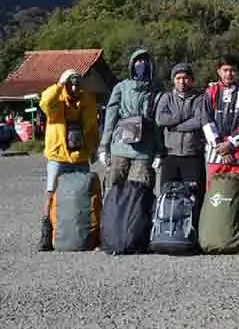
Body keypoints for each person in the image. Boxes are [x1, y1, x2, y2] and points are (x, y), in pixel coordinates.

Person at [37, 69, 99, 251]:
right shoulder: (55, 101)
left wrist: (94, 148)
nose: (73, 87)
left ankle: (88, 234)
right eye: (70, 84)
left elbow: (92, 127)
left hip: (81, 156)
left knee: (85, 194)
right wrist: (59, 84)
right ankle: (47, 234)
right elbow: (44, 102)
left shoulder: (87, 100)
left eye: (77, 84)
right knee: (51, 192)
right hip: (58, 156)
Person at [99, 49, 163, 191]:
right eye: (138, 61)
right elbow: (110, 118)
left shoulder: (157, 89)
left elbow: (158, 122)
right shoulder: (121, 87)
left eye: (145, 61)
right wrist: (104, 146)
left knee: (139, 193)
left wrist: (159, 151)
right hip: (119, 148)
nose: (142, 64)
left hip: (144, 150)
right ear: (132, 64)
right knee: (114, 191)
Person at [155, 63, 212, 193]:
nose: (182, 81)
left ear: (192, 80)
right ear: (173, 80)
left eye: (185, 78)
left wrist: (175, 126)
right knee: (167, 194)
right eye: (178, 78)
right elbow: (160, 119)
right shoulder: (166, 97)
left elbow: (199, 120)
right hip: (171, 155)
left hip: (192, 155)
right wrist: (182, 116)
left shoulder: (200, 98)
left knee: (194, 195)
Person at [202, 55, 239, 191]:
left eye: (232, 70)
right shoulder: (211, 92)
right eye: (225, 70)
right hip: (215, 155)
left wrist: (231, 143)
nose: (229, 74)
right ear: (219, 71)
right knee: (214, 194)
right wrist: (221, 149)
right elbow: (206, 121)